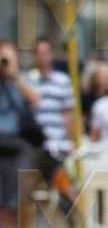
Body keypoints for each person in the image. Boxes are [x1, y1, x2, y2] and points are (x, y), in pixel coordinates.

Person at [0, 42, 40, 228]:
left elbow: (34, 99)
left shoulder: (22, 80)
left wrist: (13, 76)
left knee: (16, 203)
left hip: (17, 146)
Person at [27, 38, 73, 158]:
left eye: (45, 52)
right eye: (39, 53)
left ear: (51, 54)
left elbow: (67, 113)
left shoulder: (63, 80)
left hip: (58, 144)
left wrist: (69, 140)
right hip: (34, 145)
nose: (42, 56)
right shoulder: (27, 80)